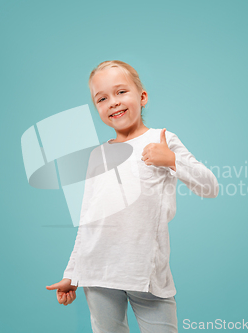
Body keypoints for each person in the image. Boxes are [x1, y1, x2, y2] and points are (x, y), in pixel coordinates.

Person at [46, 60, 219, 332]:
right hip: (98, 274)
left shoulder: (163, 139)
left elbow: (210, 187)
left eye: (121, 92)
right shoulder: (97, 155)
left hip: (146, 274)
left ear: (142, 97)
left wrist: (172, 160)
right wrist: (73, 274)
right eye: (102, 98)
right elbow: (88, 220)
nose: (112, 102)